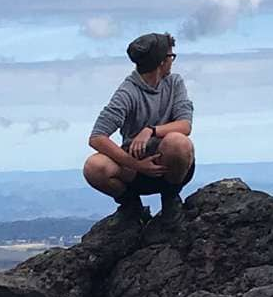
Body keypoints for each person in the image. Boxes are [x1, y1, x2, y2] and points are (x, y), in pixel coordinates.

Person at [84, 32, 196, 223]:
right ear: (162, 61)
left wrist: (150, 130)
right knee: (94, 167)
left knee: (178, 142)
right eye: (171, 56)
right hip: (134, 169)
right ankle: (131, 207)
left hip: (170, 165)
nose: (172, 61)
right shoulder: (127, 92)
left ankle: (171, 200)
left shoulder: (174, 83)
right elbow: (97, 137)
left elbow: (185, 125)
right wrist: (135, 164)